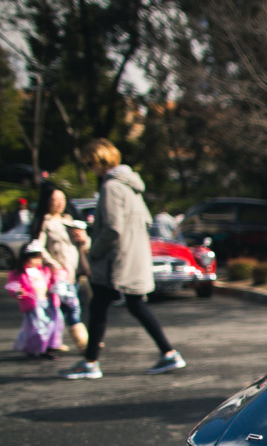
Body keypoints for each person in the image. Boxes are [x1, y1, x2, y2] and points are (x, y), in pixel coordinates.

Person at [59, 139, 185, 380]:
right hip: (133, 257)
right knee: (130, 305)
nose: (90, 168)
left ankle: (91, 362)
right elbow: (144, 221)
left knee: (102, 309)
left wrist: (93, 249)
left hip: (114, 262)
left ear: (99, 161)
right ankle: (167, 353)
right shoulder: (131, 186)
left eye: (90, 163)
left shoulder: (111, 187)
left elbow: (113, 229)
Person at [30, 183, 90, 353]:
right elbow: (38, 246)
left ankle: (50, 342)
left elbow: (85, 246)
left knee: (61, 310)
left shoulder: (70, 221)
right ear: (47, 201)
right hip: (58, 276)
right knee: (71, 308)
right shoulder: (45, 223)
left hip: (74, 273)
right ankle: (84, 343)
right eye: (55, 199)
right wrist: (54, 265)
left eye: (62, 199)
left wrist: (84, 239)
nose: (59, 203)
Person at [5, 241, 63, 359]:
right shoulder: (19, 273)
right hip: (32, 304)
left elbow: (53, 281)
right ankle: (36, 349)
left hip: (46, 302)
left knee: (50, 325)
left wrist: (57, 283)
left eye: (39, 258)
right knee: (37, 328)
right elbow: (12, 286)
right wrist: (17, 291)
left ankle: (46, 348)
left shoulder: (44, 271)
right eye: (33, 258)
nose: (36, 261)